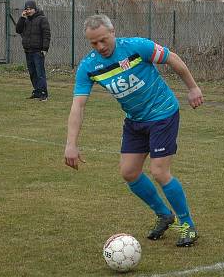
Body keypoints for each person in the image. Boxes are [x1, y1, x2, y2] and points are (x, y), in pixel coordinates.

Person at [64, 14, 204, 247]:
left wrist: (193, 88)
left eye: (103, 40)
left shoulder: (138, 46)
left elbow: (173, 59)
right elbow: (78, 105)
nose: (100, 47)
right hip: (135, 120)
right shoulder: (89, 66)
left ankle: (187, 224)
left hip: (163, 113)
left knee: (159, 172)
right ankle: (164, 214)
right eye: (93, 43)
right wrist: (71, 143)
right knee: (129, 172)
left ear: (112, 32)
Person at [15, 0, 51, 101]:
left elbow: (46, 34)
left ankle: (44, 93)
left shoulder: (42, 19)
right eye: (27, 9)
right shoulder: (26, 20)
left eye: (30, 9)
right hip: (28, 50)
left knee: (40, 73)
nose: (29, 11)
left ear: (35, 9)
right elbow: (18, 30)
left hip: (38, 51)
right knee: (32, 73)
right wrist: (22, 17)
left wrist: (45, 49)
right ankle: (37, 91)